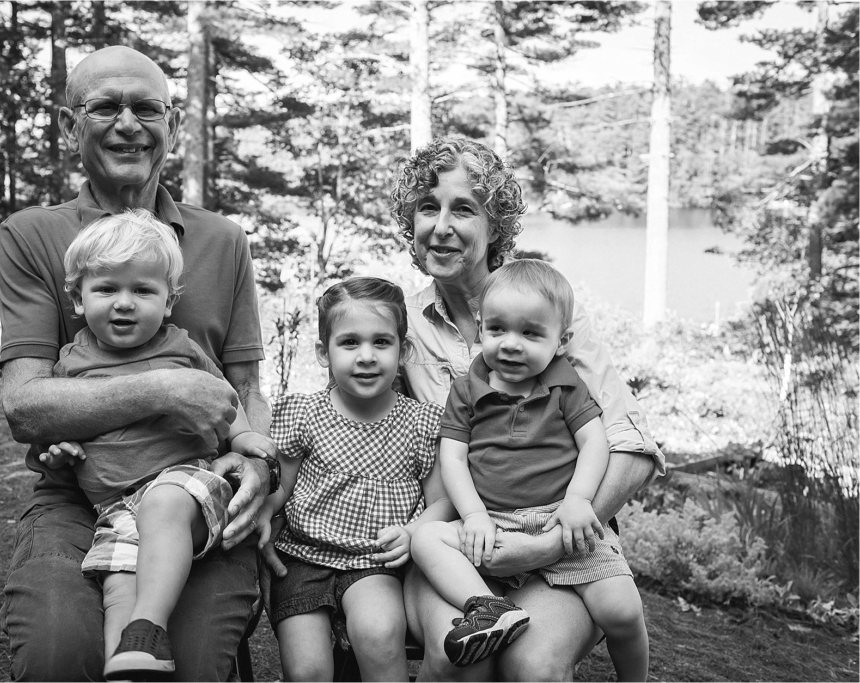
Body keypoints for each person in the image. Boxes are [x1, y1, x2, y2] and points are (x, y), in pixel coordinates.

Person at [0, 45, 279, 681]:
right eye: (105, 107)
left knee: (193, 662)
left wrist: (258, 466)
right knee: (58, 655)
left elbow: (245, 387)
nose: (128, 124)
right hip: (76, 495)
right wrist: (167, 390)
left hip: (192, 489)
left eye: (147, 109)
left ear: (172, 125)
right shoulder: (32, 235)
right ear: (69, 126)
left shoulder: (222, 241)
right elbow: (25, 404)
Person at [389, 136, 666, 681]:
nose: (440, 226)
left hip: (558, 535)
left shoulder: (552, 315)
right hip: (461, 539)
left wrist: (547, 544)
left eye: (462, 209)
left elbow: (631, 447)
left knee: (533, 667)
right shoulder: (403, 326)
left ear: (496, 225)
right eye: (427, 207)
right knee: (457, 658)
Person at [37, 209, 275, 678]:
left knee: (163, 504)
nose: (124, 303)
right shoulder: (70, 364)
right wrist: (61, 451)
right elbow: (60, 427)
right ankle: (131, 662)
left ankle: (150, 627)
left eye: (143, 291)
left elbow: (224, 393)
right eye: (107, 289)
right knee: (119, 584)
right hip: (114, 508)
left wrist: (244, 436)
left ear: (169, 302)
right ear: (78, 299)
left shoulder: (180, 347)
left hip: (186, 486)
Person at [411, 259, 648, 679]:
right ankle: (487, 606)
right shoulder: (465, 390)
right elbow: (453, 458)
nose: (511, 344)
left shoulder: (565, 385)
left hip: (560, 520)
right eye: (497, 329)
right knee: (428, 538)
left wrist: (578, 500)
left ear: (562, 341)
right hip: (493, 524)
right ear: (481, 328)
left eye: (531, 333)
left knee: (622, 611)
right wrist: (474, 515)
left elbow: (595, 443)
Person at [254, 278, 449, 682]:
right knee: (307, 670)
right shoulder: (304, 413)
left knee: (379, 636)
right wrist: (265, 514)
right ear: (323, 352)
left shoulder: (420, 422)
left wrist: (414, 531)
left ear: (403, 351)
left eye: (381, 342)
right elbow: (282, 487)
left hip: (374, 561)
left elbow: (442, 502)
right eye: (349, 343)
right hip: (302, 557)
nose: (366, 356)